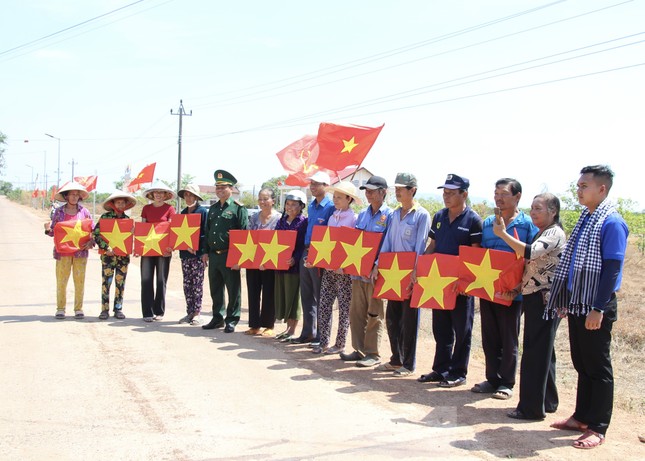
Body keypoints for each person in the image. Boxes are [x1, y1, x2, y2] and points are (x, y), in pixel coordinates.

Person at [547, 165, 628, 449]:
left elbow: (612, 269)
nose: (578, 190)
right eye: (579, 185)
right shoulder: (585, 218)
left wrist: (598, 307)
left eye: (584, 186)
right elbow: (574, 266)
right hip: (578, 303)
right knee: (582, 363)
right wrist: (567, 300)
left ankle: (598, 426)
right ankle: (581, 417)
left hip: (596, 305)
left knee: (598, 366)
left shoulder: (611, 222)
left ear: (601, 189)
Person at [493, 192, 565, 420]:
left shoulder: (553, 233)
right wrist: (517, 288)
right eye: (532, 208)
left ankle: (531, 408)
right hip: (536, 296)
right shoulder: (544, 232)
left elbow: (530, 252)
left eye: (539, 208)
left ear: (553, 212)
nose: (533, 212)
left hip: (544, 299)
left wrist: (502, 234)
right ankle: (547, 400)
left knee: (535, 352)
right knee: (544, 351)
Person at [471, 178, 538, 399]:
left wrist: (519, 287)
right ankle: (492, 379)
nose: (498, 197)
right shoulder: (488, 221)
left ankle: (507, 382)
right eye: (496, 193)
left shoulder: (528, 224)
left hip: (513, 292)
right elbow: (481, 254)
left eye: (504, 193)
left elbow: (531, 259)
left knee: (508, 336)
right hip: (488, 288)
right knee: (489, 336)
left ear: (518, 196)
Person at [417, 174, 482, 388]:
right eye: (444, 193)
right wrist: (420, 267)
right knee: (441, 328)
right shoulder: (439, 216)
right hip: (439, 283)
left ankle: (458, 372)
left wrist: (466, 281)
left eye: (451, 193)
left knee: (462, 330)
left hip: (461, 286)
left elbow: (475, 255)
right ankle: (441, 369)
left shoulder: (473, 220)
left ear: (464, 194)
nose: (446, 197)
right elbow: (432, 245)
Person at [373, 173, 430, 377]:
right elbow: (387, 241)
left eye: (401, 188)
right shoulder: (394, 214)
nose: (397, 191)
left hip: (411, 274)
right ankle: (395, 359)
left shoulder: (422, 215)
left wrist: (416, 272)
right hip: (392, 272)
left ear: (412, 190)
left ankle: (408, 363)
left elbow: (421, 246)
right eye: (396, 188)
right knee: (392, 317)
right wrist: (379, 264)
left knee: (409, 319)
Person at [340, 175, 392, 367]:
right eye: (366, 191)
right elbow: (354, 242)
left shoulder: (390, 216)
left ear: (383, 192)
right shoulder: (361, 215)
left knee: (374, 314)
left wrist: (376, 265)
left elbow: (387, 244)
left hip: (375, 274)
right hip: (357, 272)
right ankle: (358, 349)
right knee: (356, 312)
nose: (368, 194)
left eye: (372, 190)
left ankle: (373, 353)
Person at [312, 181, 359, 355]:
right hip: (329, 269)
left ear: (349, 199)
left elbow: (354, 246)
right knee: (324, 304)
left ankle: (340, 344)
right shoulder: (332, 218)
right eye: (334, 197)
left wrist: (345, 265)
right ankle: (323, 342)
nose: (336, 200)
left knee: (345, 309)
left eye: (339, 197)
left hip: (344, 272)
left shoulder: (354, 219)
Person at [290, 171, 335, 345]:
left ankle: (321, 336)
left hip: (321, 253)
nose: (313, 186)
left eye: (317, 183)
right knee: (306, 294)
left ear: (326, 186)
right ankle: (308, 332)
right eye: (312, 183)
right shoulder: (311, 206)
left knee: (320, 296)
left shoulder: (331, 206)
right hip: (306, 251)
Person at [202, 169, 249, 333]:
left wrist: (240, 258)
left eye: (223, 188)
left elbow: (244, 235)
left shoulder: (238, 208)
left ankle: (232, 319)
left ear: (231, 189)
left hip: (230, 255)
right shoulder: (213, 208)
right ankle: (217, 318)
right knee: (215, 289)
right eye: (218, 188)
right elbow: (207, 232)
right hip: (214, 255)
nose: (220, 190)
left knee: (233, 289)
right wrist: (205, 252)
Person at [45, 181, 94, 319]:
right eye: (71, 194)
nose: (74, 197)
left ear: (80, 197)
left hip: (81, 252)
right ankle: (60, 308)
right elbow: (54, 232)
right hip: (63, 253)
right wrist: (47, 229)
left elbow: (93, 229)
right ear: (66, 196)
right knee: (61, 281)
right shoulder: (59, 212)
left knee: (80, 281)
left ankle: (78, 308)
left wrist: (92, 240)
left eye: (77, 194)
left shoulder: (85, 212)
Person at [93, 190, 137, 320]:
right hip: (108, 257)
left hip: (123, 258)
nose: (120, 205)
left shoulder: (128, 220)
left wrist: (134, 232)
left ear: (126, 205)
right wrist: (106, 248)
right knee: (106, 283)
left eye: (123, 203)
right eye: (118, 202)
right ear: (113, 204)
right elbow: (96, 234)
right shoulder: (104, 218)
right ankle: (104, 310)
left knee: (120, 283)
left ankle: (118, 309)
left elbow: (131, 238)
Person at [245, 187, 281, 336]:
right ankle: (254, 325)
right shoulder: (253, 218)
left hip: (270, 261)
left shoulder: (279, 218)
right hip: (253, 261)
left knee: (269, 292)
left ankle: (268, 325)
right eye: (260, 198)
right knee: (253, 291)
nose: (262, 202)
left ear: (273, 201)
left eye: (266, 199)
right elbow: (247, 237)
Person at [139, 182, 176, 322]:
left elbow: (173, 229)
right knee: (146, 279)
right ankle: (147, 312)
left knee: (161, 280)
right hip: (147, 248)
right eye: (156, 192)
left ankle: (159, 311)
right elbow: (142, 228)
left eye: (161, 192)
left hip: (164, 250)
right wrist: (139, 247)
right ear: (151, 194)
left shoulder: (170, 209)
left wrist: (171, 247)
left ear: (166, 195)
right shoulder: (146, 209)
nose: (158, 195)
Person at [274, 190, 308, 341]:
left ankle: (293, 330)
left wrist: (295, 258)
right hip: (280, 265)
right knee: (284, 296)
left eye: (294, 204)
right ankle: (287, 328)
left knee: (294, 297)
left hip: (294, 266)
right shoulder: (281, 221)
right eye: (288, 204)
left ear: (301, 206)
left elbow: (303, 245)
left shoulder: (304, 222)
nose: (290, 207)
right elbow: (274, 241)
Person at [177, 184, 209, 325]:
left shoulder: (202, 212)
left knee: (197, 284)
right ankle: (189, 312)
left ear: (196, 196)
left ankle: (197, 312)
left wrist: (201, 249)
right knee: (187, 284)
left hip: (197, 254)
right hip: (185, 254)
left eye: (191, 195)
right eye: (186, 195)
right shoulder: (182, 213)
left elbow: (206, 233)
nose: (188, 197)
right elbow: (178, 233)